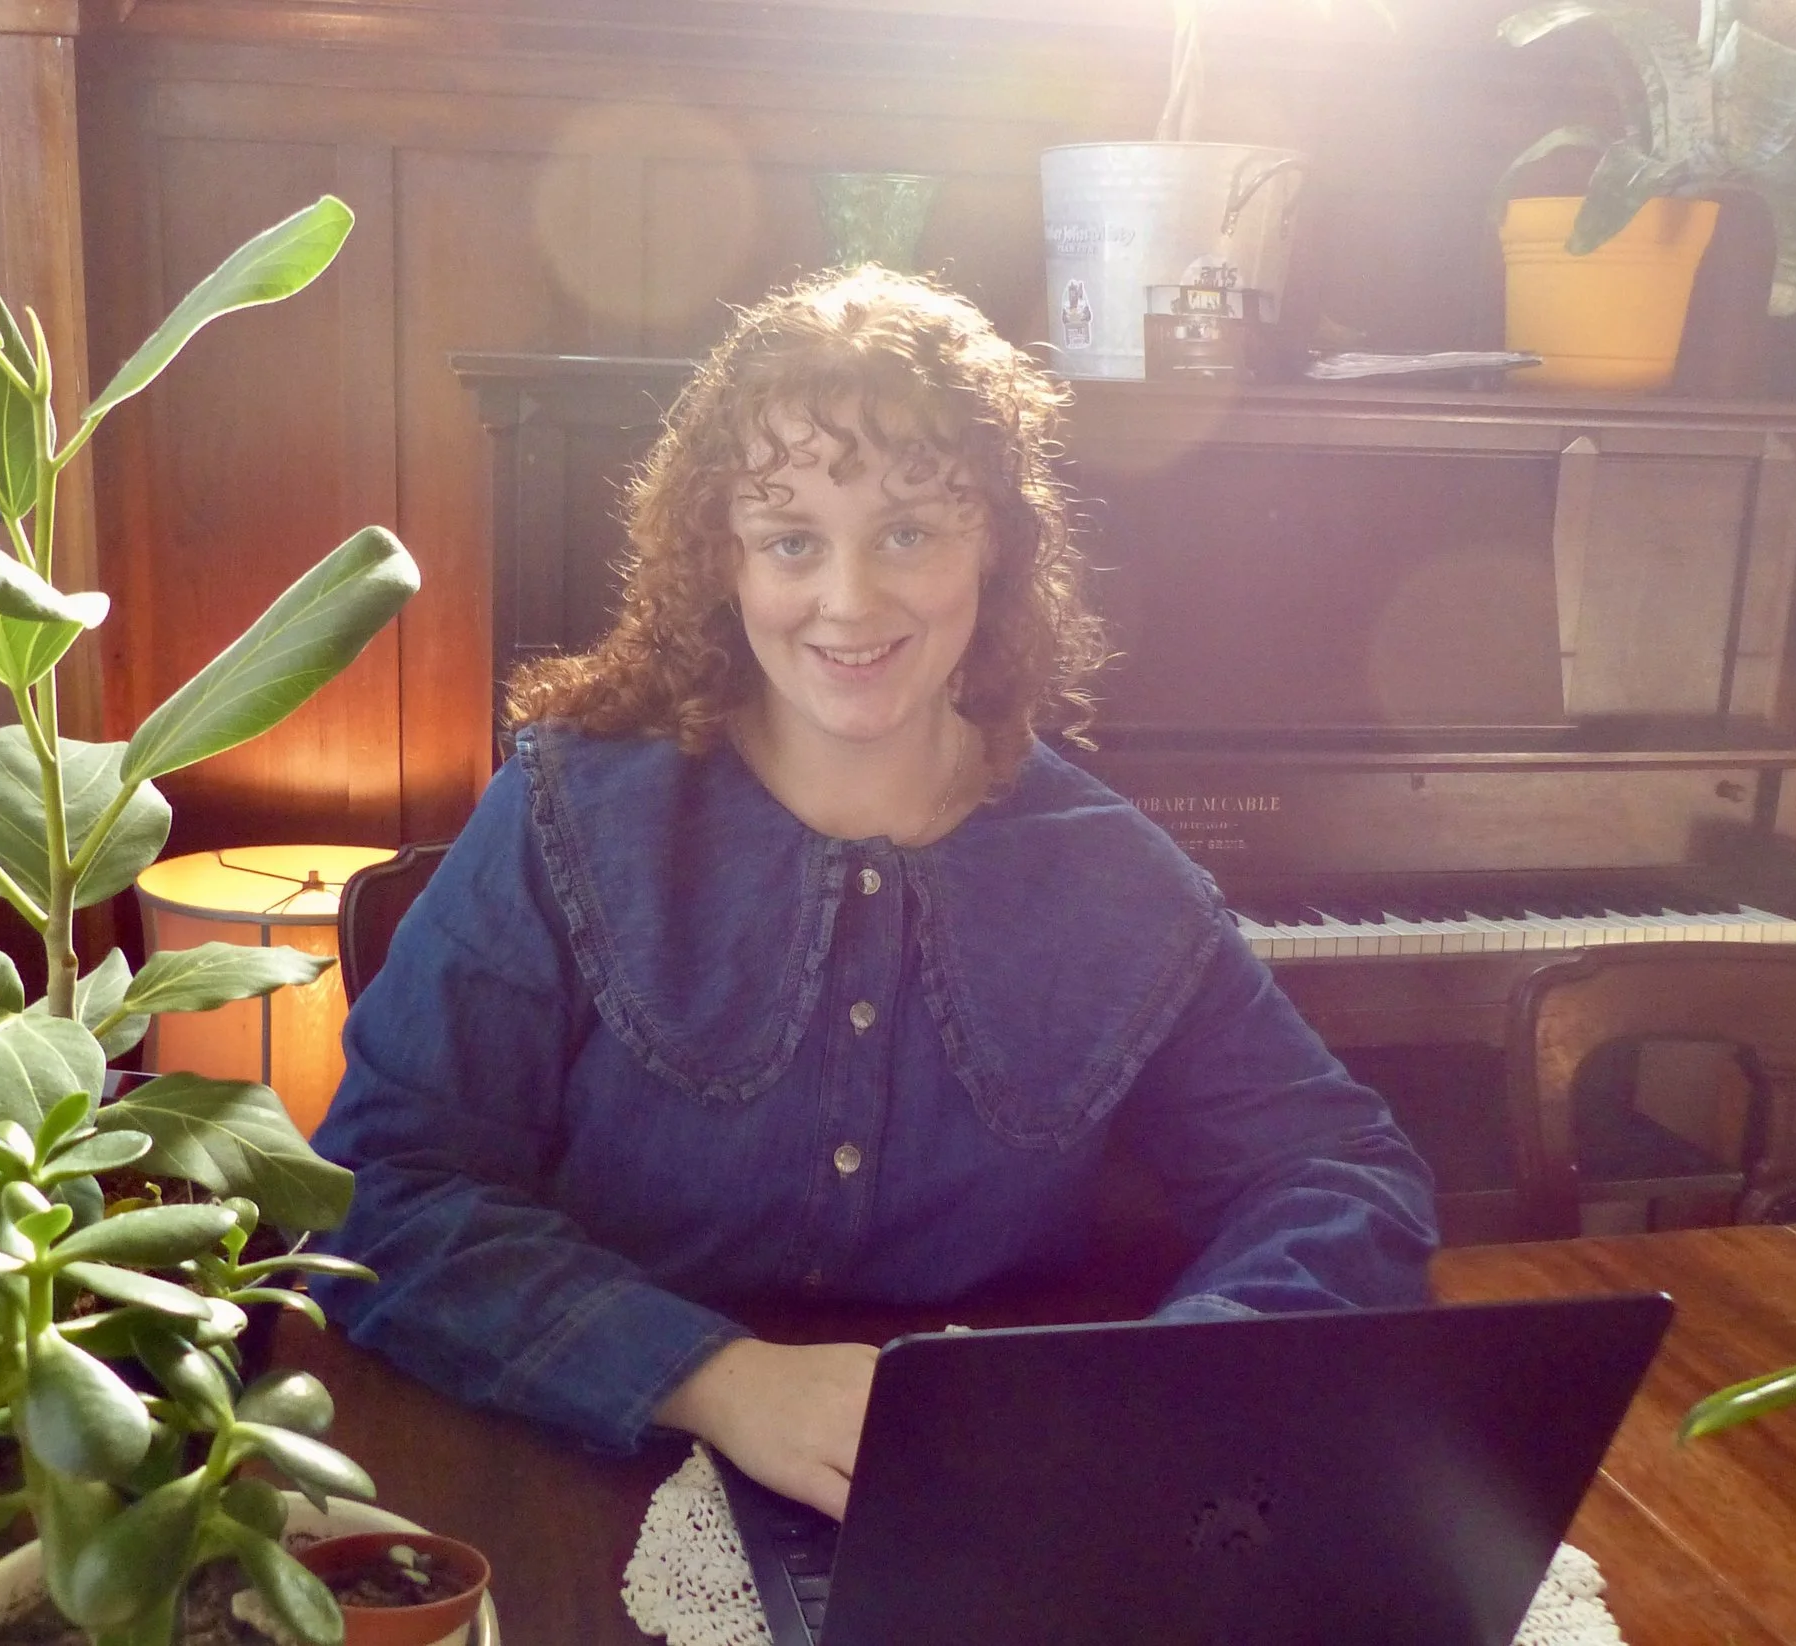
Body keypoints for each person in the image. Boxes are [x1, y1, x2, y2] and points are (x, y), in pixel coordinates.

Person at [312, 266, 1438, 1521]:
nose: (849, 600)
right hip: (591, 1467)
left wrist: (1159, 1385)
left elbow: (1340, 1173)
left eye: (908, 531)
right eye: (792, 540)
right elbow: (378, 1187)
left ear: (992, 542)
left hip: (990, 1489)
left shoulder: (1116, 877)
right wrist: (717, 1379)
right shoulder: (562, 815)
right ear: (726, 560)